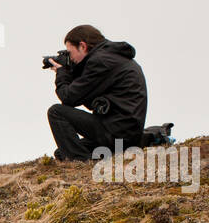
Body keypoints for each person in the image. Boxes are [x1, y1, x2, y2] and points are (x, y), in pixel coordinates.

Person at [47, 24, 147, 161]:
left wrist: (62, 73)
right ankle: (100, 157)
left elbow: (69, 98)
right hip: (126, 134)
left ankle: (82, 162)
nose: (71, 58)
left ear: (82, 46)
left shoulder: (99, 62)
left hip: (117, 133)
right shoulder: (112, 57)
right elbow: (87, 95)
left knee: (56, 112)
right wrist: (71, 71)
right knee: (62, 152)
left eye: (70, 53)